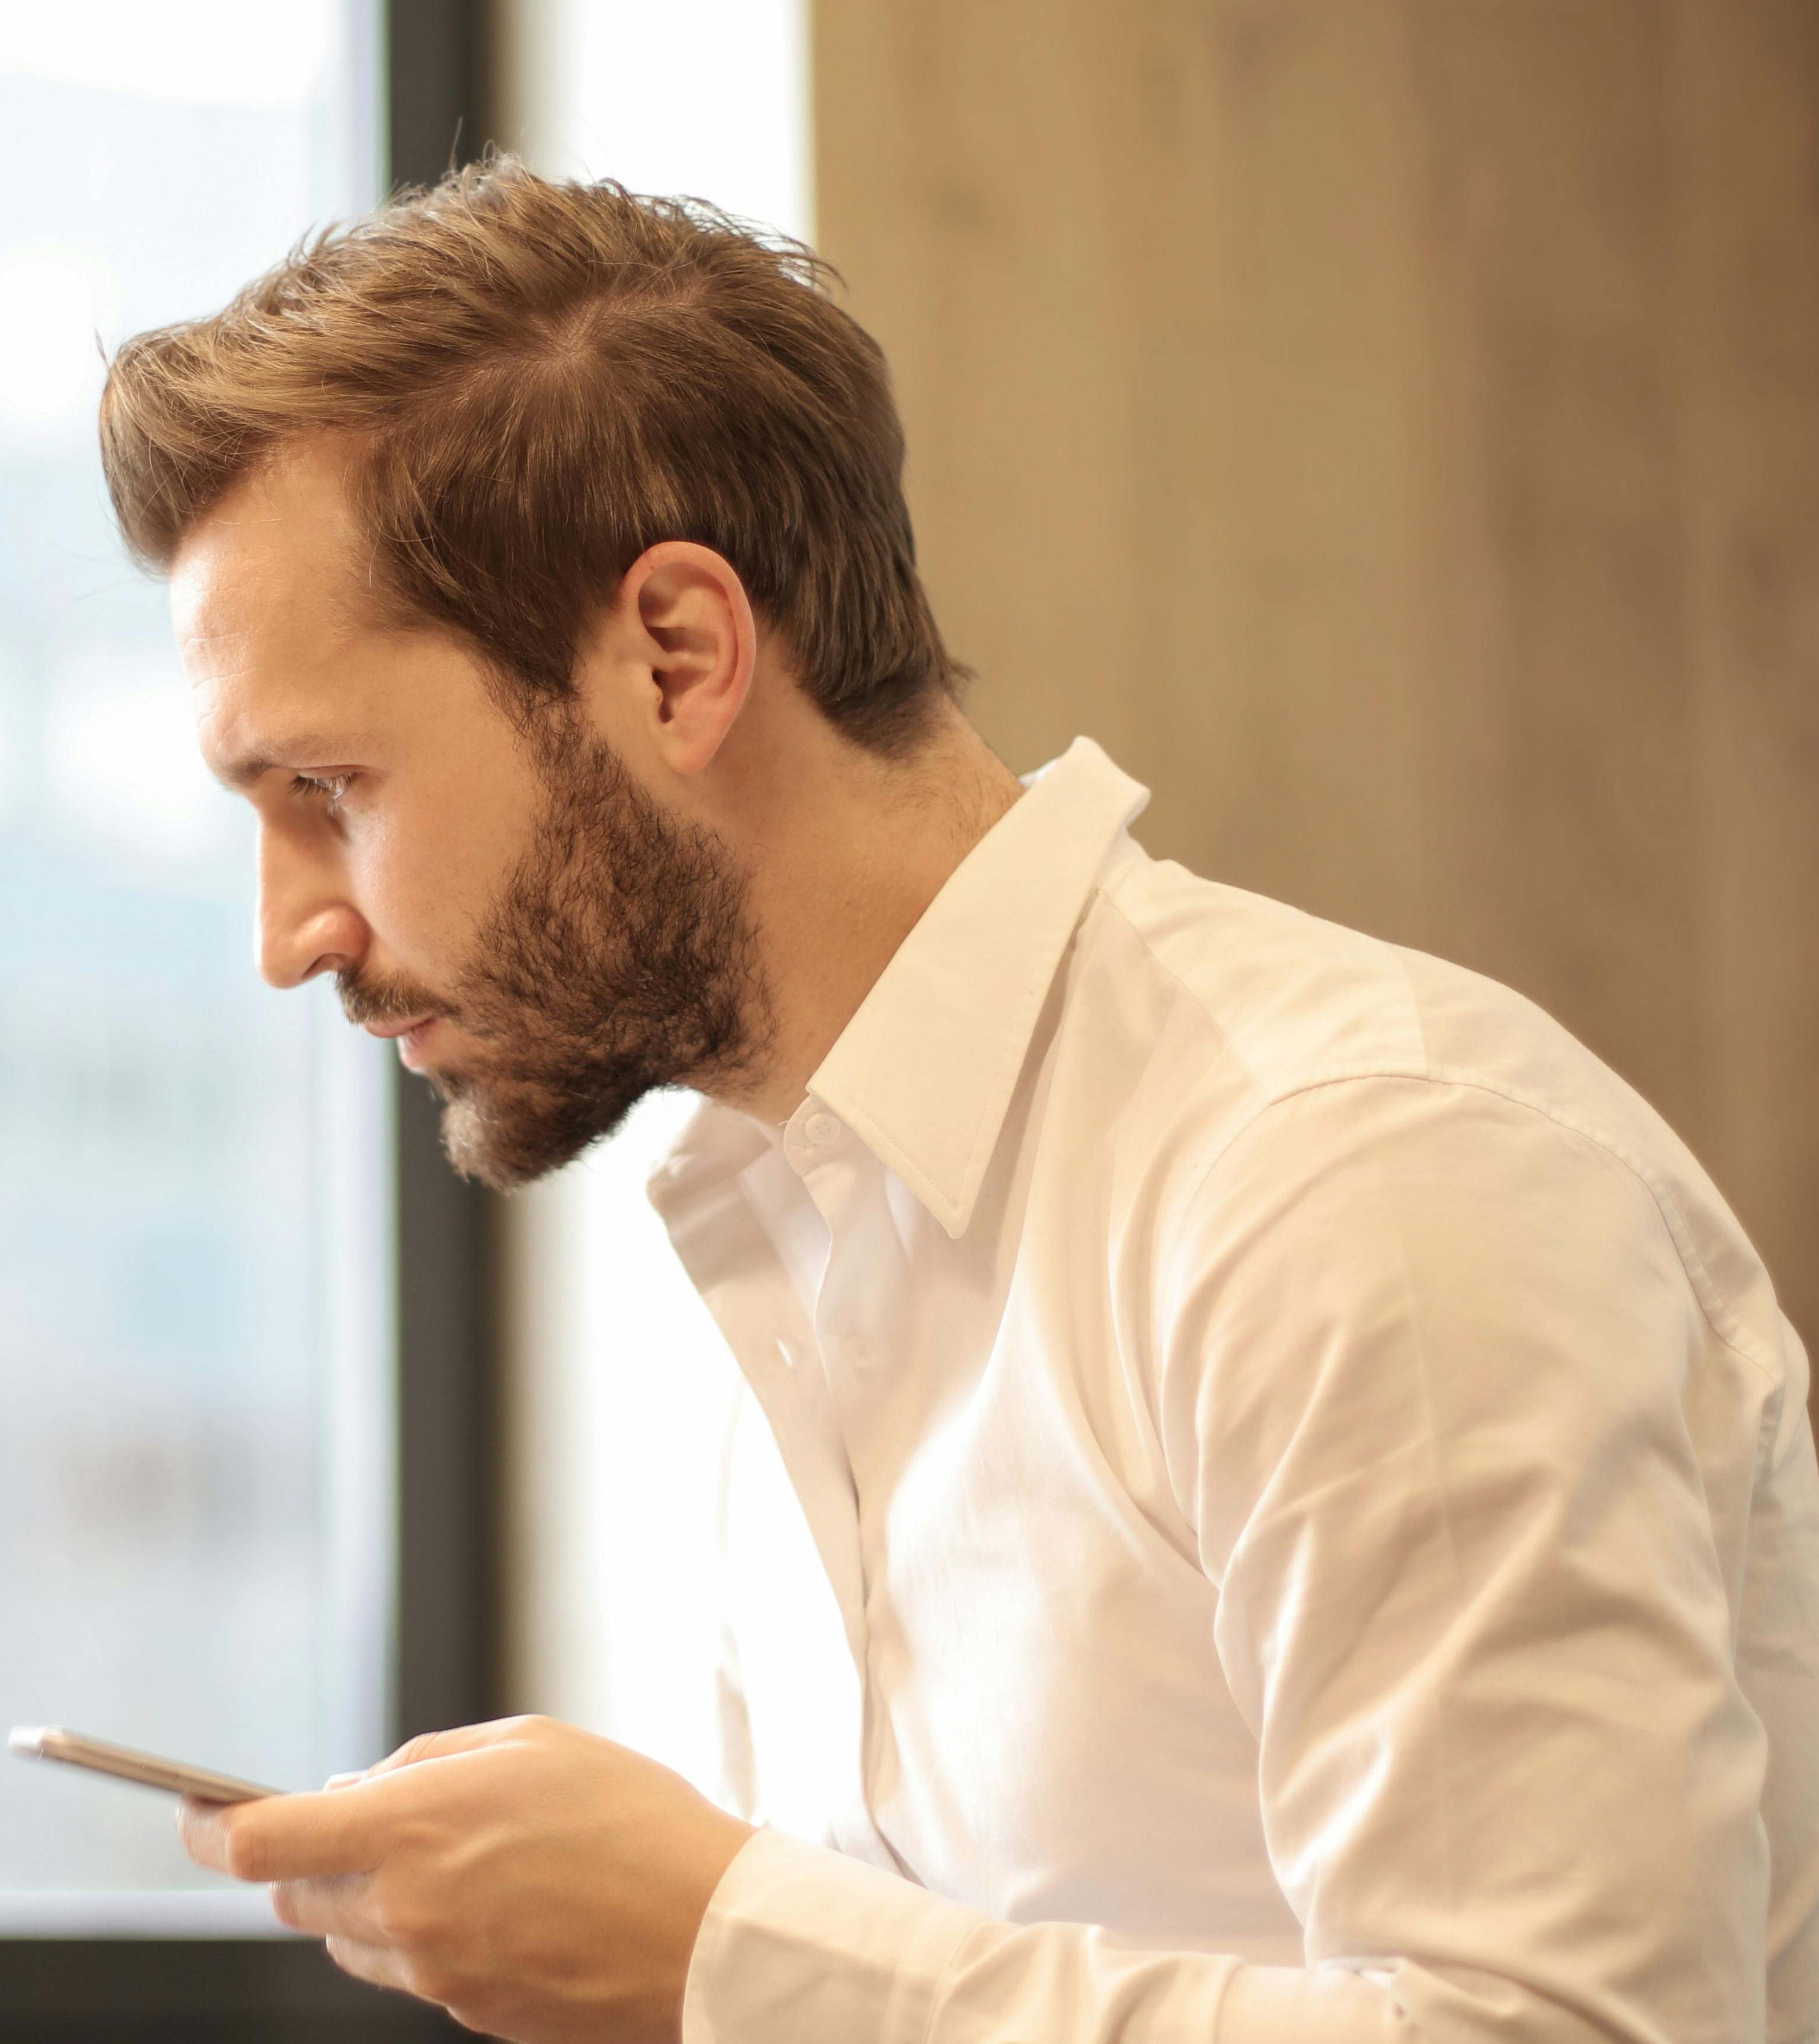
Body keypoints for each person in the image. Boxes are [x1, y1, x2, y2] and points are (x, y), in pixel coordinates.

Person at [97, 159, 1819, 2044]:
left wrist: (726, 1957)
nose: (288, 932)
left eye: (324, 787)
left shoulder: (1362, 1178)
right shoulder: (809, 1237)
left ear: (676, 656)